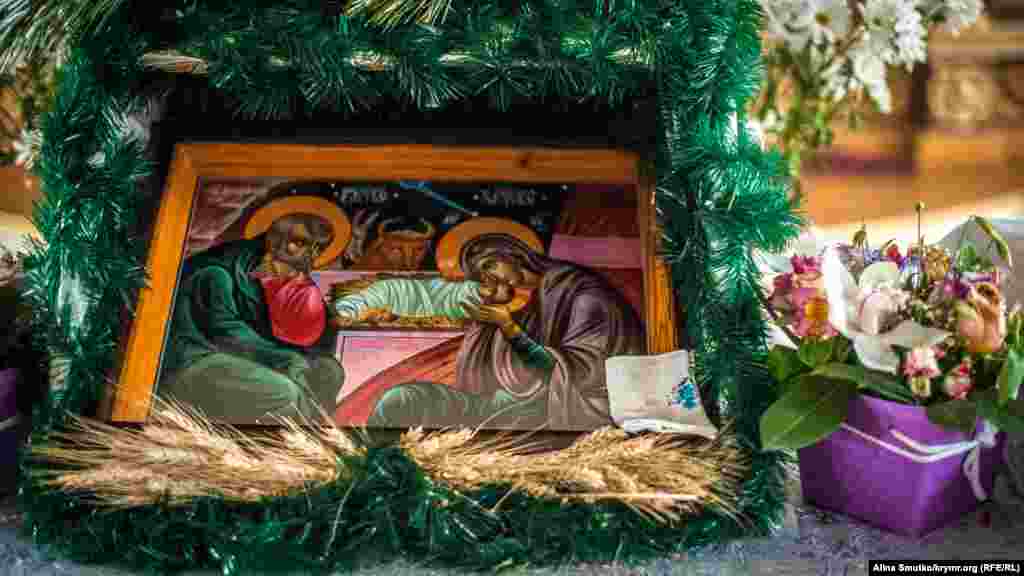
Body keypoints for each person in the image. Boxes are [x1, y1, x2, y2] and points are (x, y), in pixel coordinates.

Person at [362, 233, 646, 431]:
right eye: (481, 277)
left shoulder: (584, 296)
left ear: (513, 254)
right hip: (510, 409)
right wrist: (486, 326)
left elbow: (572, 373)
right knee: (403, 398)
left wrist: (508, 327)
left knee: (413, 406)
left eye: (490, 265)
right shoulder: (522, 304)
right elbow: (492, 379)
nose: (489, 279)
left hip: (569, 412)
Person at [158, 212, 345, 423]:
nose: (310, 254)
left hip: (246, 356)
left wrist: (312, 356)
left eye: (318, 248)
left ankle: (313, 434)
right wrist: (285, 358)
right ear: (276, 241)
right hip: (194, 360)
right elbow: (227, 335)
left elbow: (313, 335)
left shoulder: (284, 277)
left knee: (328, 371)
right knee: (284, 393)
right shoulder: (216, 272)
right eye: (301, 243)